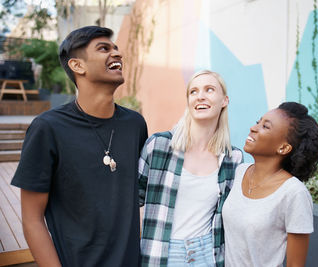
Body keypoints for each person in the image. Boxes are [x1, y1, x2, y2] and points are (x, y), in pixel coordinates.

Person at [11, 26, 148, 267]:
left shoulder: (135, 124)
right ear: (77, 66)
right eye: (104, 48)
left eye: (115, 48)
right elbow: (32, 220)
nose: (117, 54)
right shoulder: (47, 129)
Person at [138, 70, 243, 266]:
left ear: (224, 100)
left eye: (209, 89)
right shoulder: (159, 146)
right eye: (193, 91)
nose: (200, 96)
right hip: (162, 254)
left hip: (207, 255)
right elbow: (133, 200)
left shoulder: (232, 158)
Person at [222, 102, 318, 267]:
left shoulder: (294, 193)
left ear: (283, 148)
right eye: (258, 121)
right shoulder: (240, 171)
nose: (253, 128)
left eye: (265, 127)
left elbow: (295, 265)